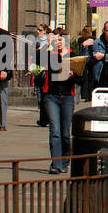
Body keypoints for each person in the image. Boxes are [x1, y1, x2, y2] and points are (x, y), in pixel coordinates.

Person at [39, 29, 78, 175]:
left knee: (65, 133)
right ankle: (56, 164)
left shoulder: (73, 56)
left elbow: (82, 79)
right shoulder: (49, 54)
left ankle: (65, 161)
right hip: (51, 96)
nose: (58, 43)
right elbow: (37, 58)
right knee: (54, 130)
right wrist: (47, 45)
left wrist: (72, 75)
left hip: (67, 97)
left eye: (61, 40)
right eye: (56, 40)